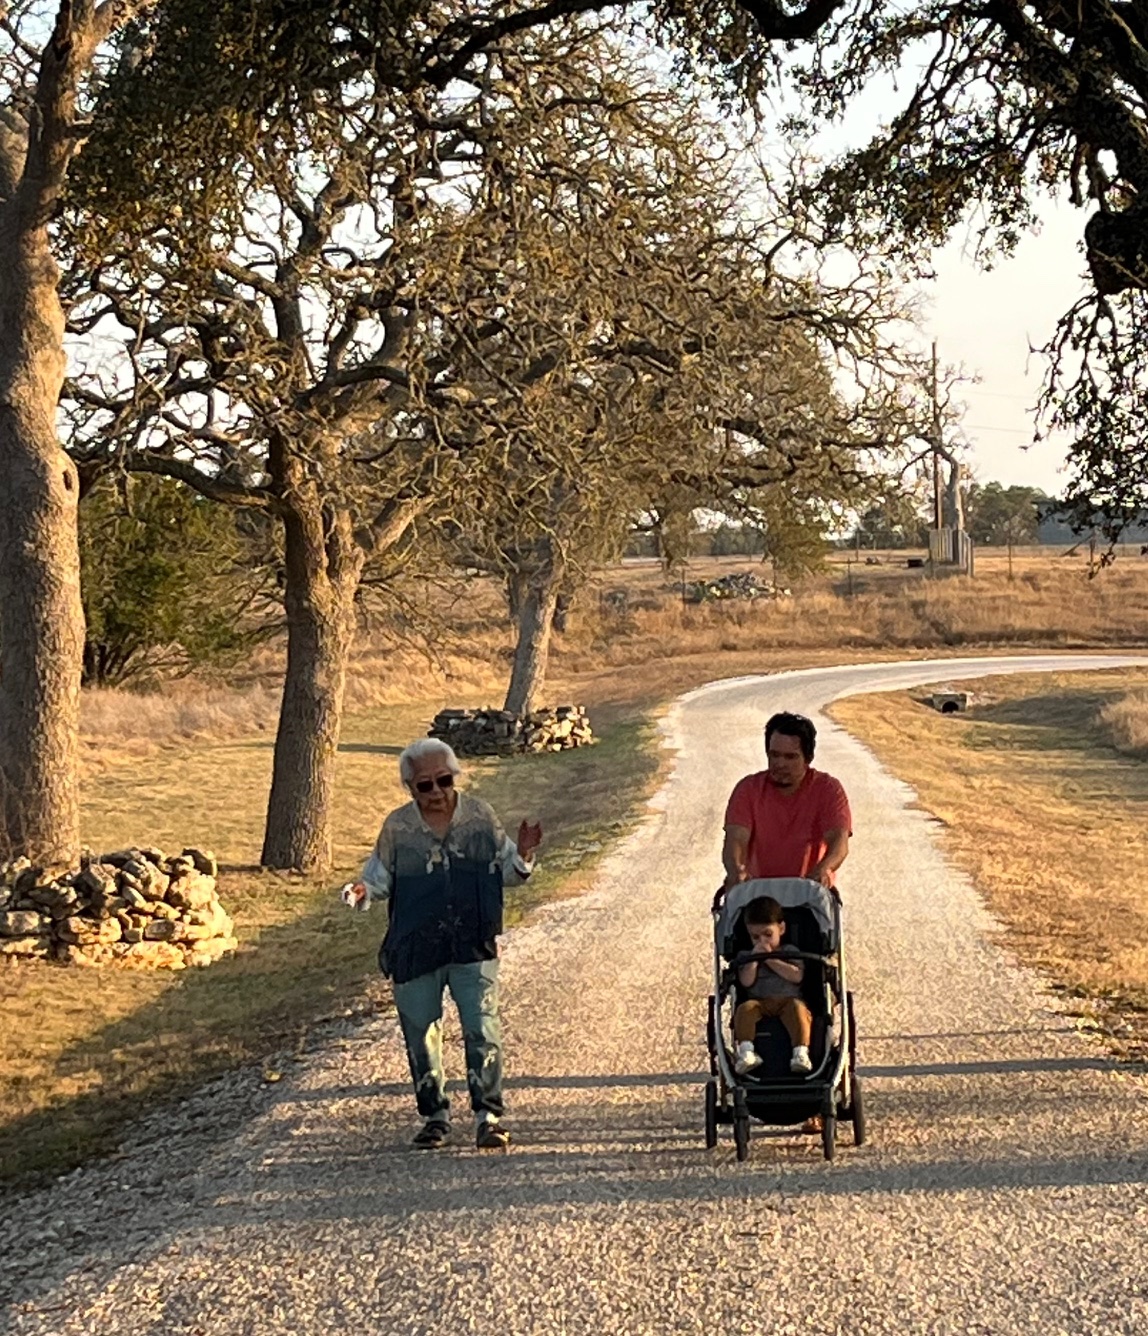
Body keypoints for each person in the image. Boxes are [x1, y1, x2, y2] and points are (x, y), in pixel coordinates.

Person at [343, 738, 542, 1151]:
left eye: (444, 780)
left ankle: (488, 1117)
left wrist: (523, 854)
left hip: (472, 942)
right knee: (421, 1033)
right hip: (415, 945)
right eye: (425, 785)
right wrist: (361, 891)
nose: (436, 792)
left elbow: (508, 871)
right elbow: (378, 878)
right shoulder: (398, 828)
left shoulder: (480, 817)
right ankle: (435, 1117)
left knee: (482, 1028)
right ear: (410, 787)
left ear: (455, 777)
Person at [722, 711, 851, 891]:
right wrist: (736, 870)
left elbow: (839, 840)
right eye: (775, 755)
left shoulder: (828, 789)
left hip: (809, 892)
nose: (780, 764)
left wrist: (824, 869)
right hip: (757, 895)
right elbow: (735, 838)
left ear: (808, 758)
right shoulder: (748, 789)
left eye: (790, 757)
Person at [732, 896, 813, 1076]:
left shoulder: (790, 951)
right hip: (759, 1001)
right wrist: (754, 960)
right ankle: (747, 1052)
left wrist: (770, 959)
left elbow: (797, 976)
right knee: (744, 1010)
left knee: (799, 1010)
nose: (762, 942)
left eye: (768, 935)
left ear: (781, 929)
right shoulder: (746, 955)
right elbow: (746, 981)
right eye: (755, 937)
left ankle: (800, 1052)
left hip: (788, 1000)